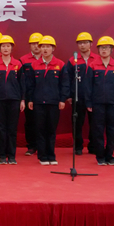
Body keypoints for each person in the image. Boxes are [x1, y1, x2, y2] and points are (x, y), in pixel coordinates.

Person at [25, 36, 68, 166]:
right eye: (43, 46)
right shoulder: (34, 65)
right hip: (38, 102)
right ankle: (42, 156)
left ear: (53, 48)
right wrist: (30, 99)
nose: (45, 49)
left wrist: (62, 99)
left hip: (54, 102)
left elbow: (64, 84)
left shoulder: (60, 64)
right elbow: (30, 85)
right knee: (40, 129)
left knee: (51, 130)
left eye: (48, 46)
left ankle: (51, 155)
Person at [84, 36, 114, 166]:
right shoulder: (93, 65)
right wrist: (88, 102)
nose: (104, 50)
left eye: (107, 48)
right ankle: (100, 156)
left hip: (113, 103)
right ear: (98, 49)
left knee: (112, 130)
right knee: (98, 130)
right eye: (102, 48)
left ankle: (110, 156)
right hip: (97, 103)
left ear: (111, 49)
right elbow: (88, 86)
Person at [0, 35, 25, 165]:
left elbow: (22, 83)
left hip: (14, 100)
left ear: (11, 48)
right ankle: (2, 156)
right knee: (1, 128)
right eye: (3, 46)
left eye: (8, 46)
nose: (5, 48)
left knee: (12, 129)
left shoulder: (18, 64)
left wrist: (22, 100)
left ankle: (12, 156)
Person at [65, 32, 100, 156]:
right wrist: (69, 95)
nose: (83, 45)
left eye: (85, 42)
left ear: (91, 44)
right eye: (80, 43)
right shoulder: (72, 60)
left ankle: (93, 146)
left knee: (95, 123)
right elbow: (67, 78)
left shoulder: (97, 59)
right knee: (77, 122)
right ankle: (78, 146)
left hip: (94, 97)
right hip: (77, 96)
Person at [20, 32, 42, 157]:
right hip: (29, 96)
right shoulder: (23, 60)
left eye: (38, 44)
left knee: (44, 122)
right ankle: (31, 146)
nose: (36, 46)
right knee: (30, 122)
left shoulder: (48, 59)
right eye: (33, 44)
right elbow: (21, 80)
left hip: (44, 96)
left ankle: (43, 146)